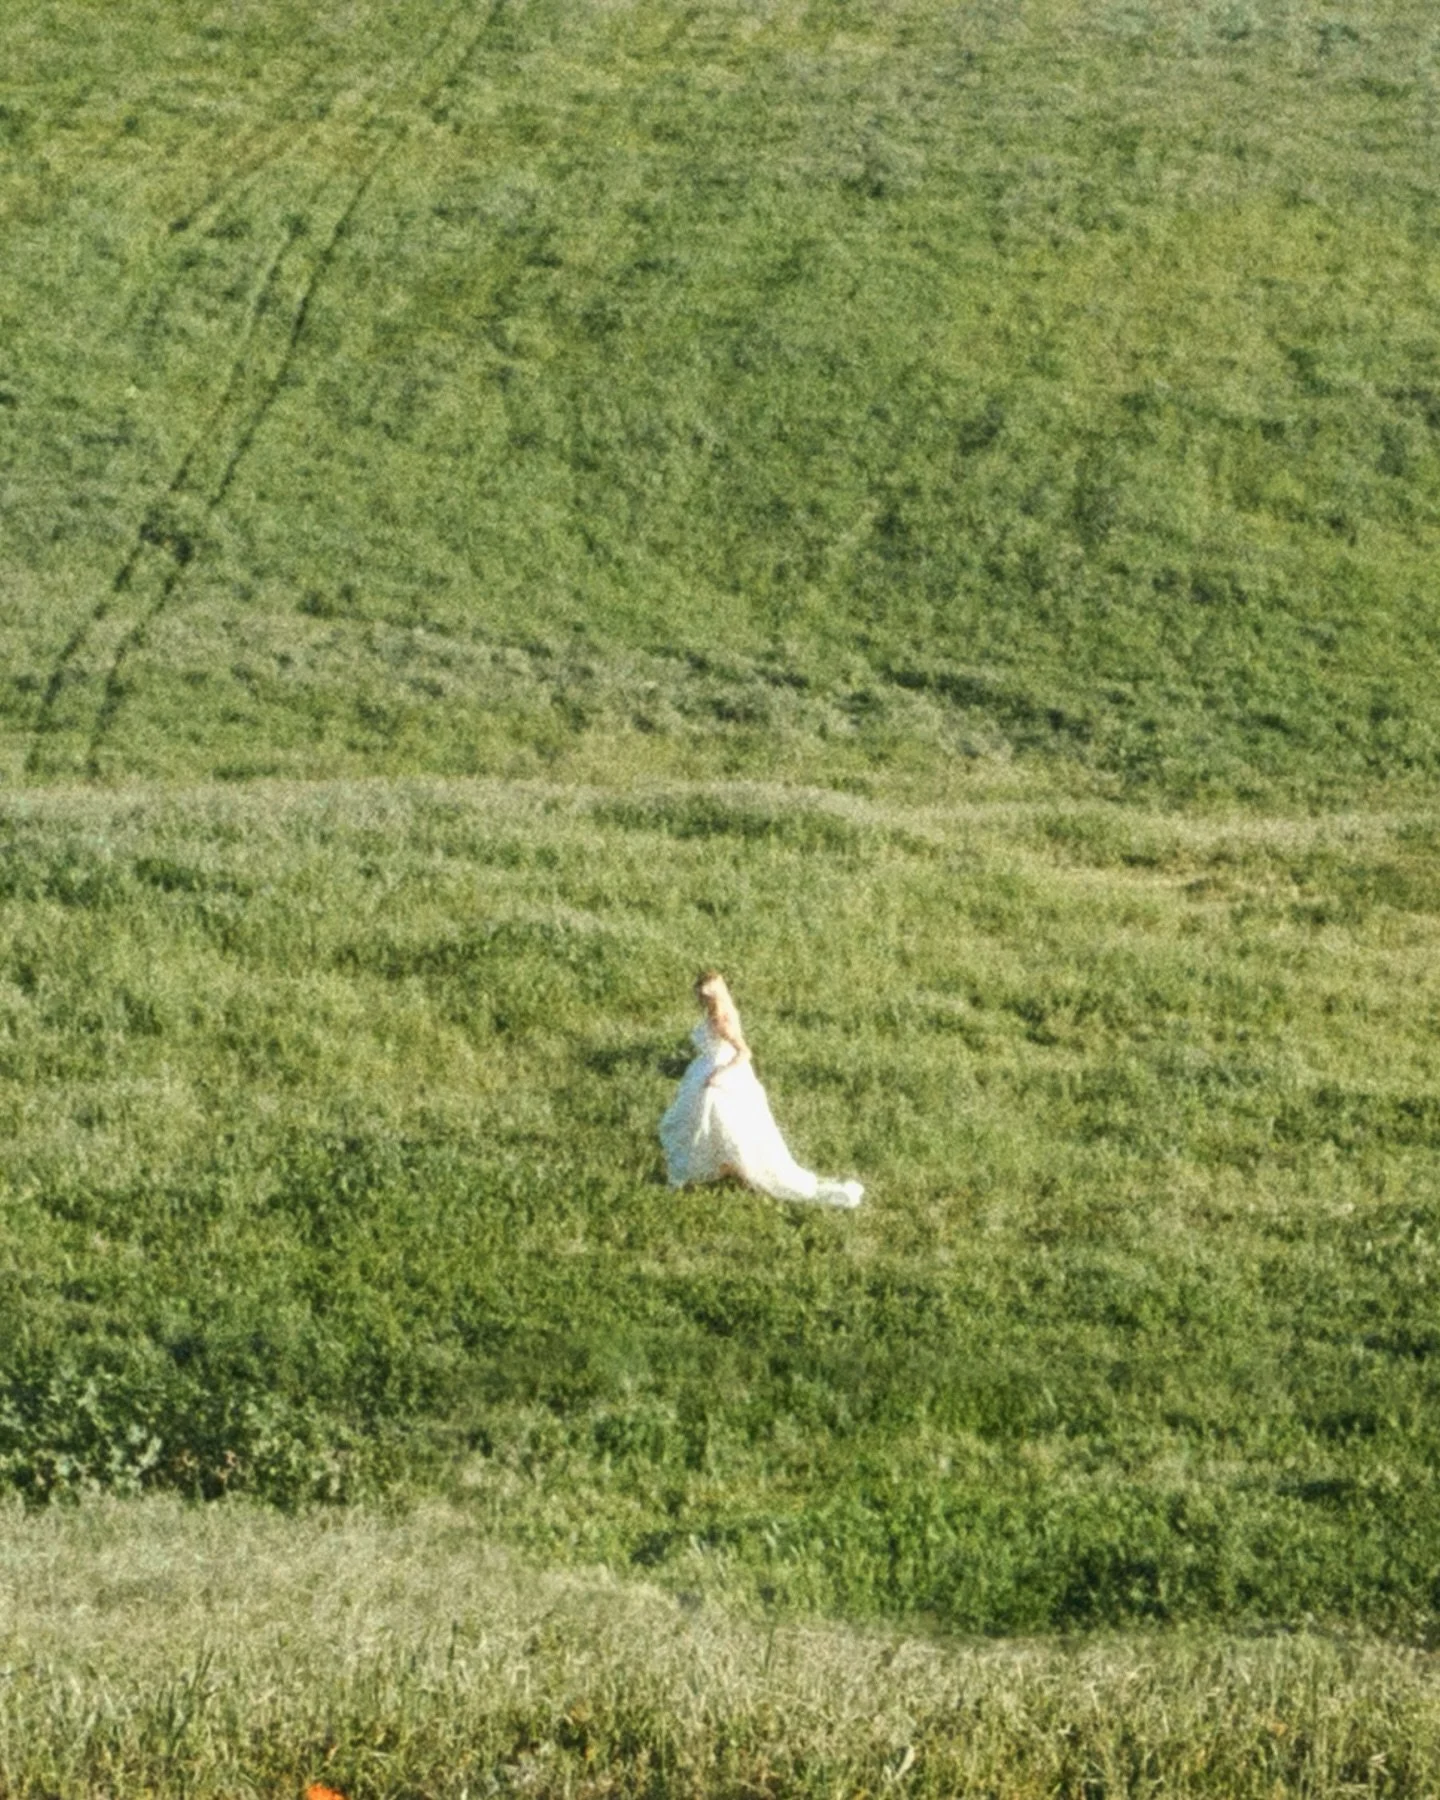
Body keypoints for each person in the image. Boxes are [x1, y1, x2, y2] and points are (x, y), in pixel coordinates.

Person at [659, 970, 864, 1208]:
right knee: (711, 1126)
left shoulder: (721, 1018)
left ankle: (726, 1169)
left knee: (728, 1128)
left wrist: (719, 1075)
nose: (700, 1001)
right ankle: (724, 1167)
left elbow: (744, 1052)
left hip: (721, 1077)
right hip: (707, 1070)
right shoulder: (719, 1012)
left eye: (703, 997)